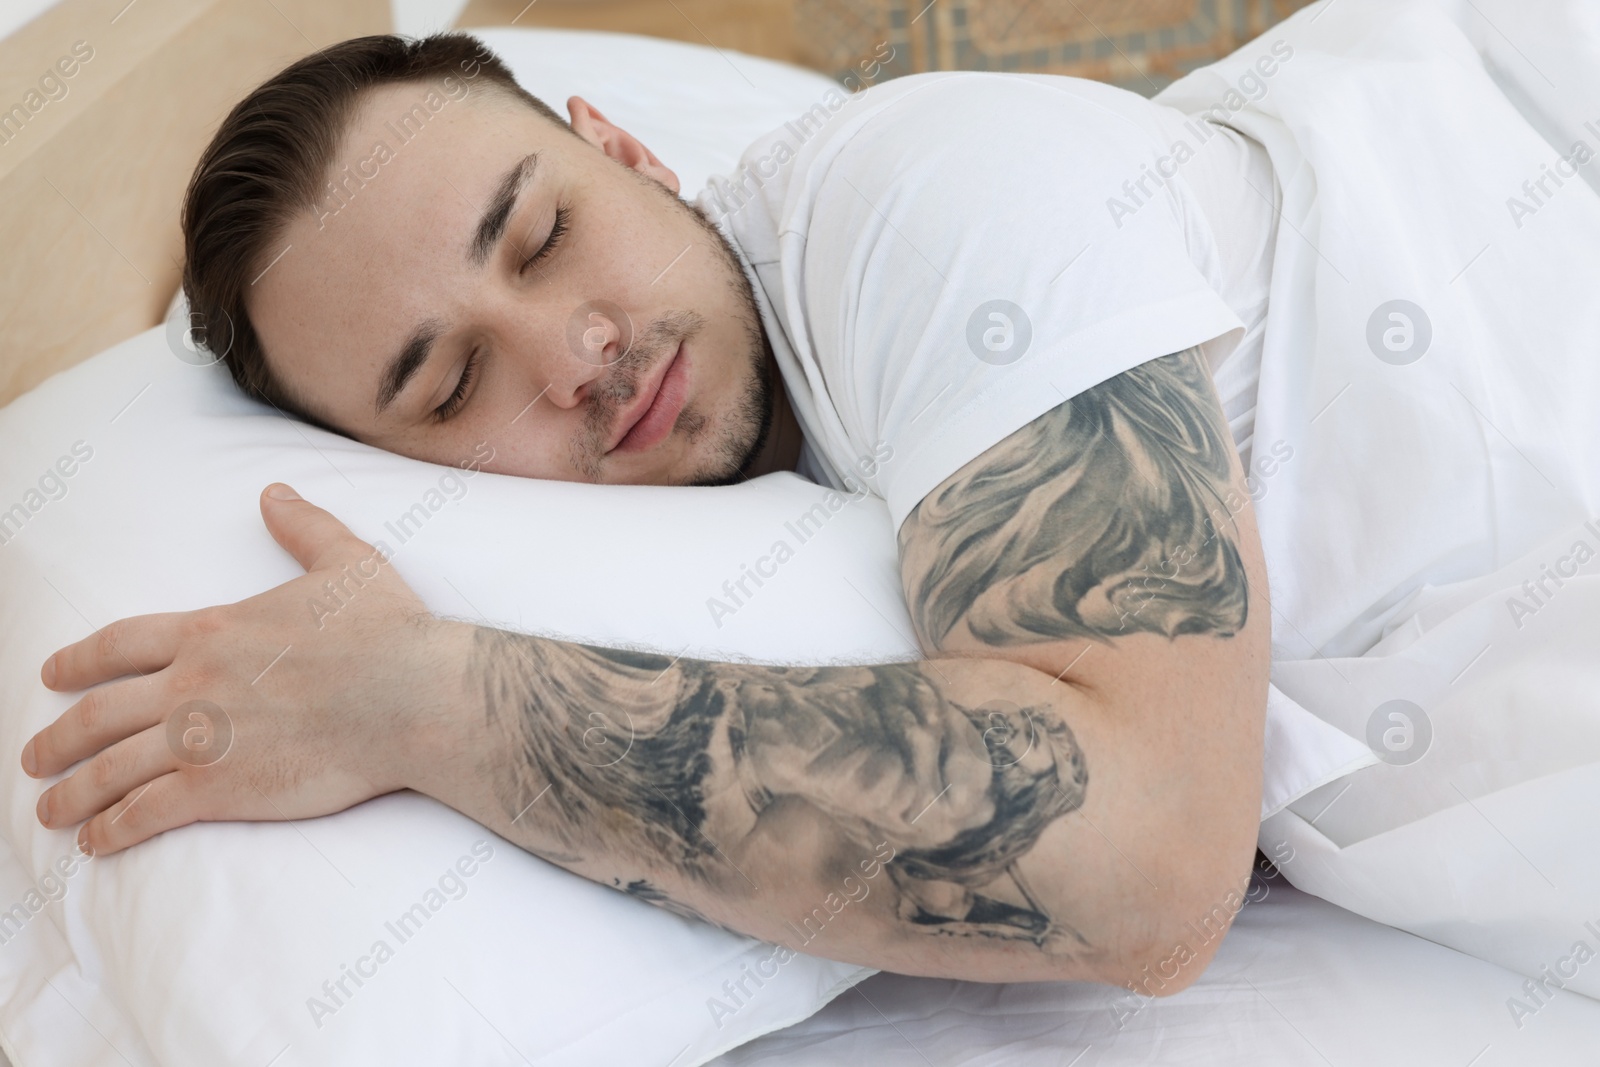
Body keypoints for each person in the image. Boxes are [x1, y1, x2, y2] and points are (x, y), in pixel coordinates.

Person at [20, 33, 1280, 990]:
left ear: (624, 148)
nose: (574, 351)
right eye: (456, 385)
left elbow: (1150, 852)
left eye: (544, 233)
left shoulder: (918, 199)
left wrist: (406, 699)